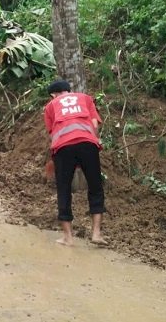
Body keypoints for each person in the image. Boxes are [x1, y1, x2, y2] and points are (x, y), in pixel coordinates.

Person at [43, 79, 106, 246]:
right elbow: (94, 125)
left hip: (63, 148)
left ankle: (68, 238)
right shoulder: (85, 98)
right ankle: (96, 234)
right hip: (88, 144)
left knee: (63, 189)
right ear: (69, 91)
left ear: (53, 95)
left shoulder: (50, 106)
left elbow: (53, 134)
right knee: (95, 187)